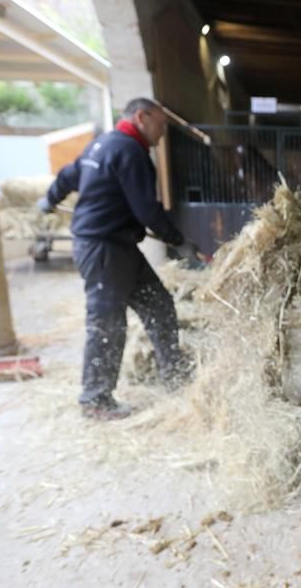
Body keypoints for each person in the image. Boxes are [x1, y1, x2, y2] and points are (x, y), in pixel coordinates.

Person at [38, 97, 200, 420]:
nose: (163, 132)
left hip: (119, 246)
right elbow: (147, 210)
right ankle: (96, 400)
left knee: (158, 304)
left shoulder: (101, 146)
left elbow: (69, 175)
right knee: (107, 322)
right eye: (161, 123)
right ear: (142, 117)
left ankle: (172, 372)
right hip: (103, 248)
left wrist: (50, 198)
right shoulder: (130, 152)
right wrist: (178, 241)